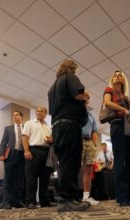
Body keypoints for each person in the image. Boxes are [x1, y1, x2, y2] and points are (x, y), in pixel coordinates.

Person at [48, 60, 90, 212]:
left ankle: (66, 199)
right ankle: (69, 200)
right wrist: (86, 96)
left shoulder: (52, 88)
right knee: (71, 163)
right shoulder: (69, 76)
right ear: (72, 68)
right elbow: (79, 95)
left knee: (64, 164)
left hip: (57, 127)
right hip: (70, 125)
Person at [103, 70, 130, 207]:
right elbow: (107, 103)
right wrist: (125, 110)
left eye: (120, 74)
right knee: (120, 161)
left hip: (129, 127)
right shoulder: (109, 90)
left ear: (123, 79)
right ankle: (122, 198)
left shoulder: (126, 97)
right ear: (112, 79)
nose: (117, 76)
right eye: (115, 74)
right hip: (117, 125)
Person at [22, 107, 55, 209]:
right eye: (37, 111)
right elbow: (25, 137)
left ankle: (44, 201)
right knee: (31, 178)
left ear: (45, 114)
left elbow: (51, 141)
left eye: (41, 111)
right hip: (33, 151)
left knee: (45, 178)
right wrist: (26, 151)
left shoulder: (48, 127)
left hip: (46, 153)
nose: (39, 112)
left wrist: (50, 140)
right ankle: (31, 202)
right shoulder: (29, 123)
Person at [0, 111, 26, 210]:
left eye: (17, 115)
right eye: (13, 115)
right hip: (10, 155)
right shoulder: (8, 128)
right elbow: (3, 142)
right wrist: (1, 154)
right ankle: (6, 202)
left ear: (21, 117)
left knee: (20, 180)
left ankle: (17, 202)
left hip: (22, 156)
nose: (14, 117)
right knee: (8, 180)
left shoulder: (26, 127)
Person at [81, 99, 99, 206]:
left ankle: (86, 197)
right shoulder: (74, 110)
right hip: (78, 141)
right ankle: (71, 197)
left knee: (88, 171)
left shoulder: (90, 115)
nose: (85, 100)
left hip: (89, 142)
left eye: (87, 99)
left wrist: (94, 144)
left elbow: (94, 130)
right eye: (84, 97)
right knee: (73, 169)